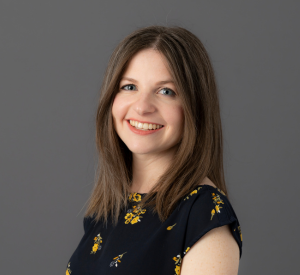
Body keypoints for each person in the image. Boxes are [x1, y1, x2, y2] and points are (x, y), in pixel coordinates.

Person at [65, 25, 243, 275]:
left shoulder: (204, 215)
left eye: (166, 91)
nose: (142, 107)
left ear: (195, 108)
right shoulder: (108, 210)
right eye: (129, 87)